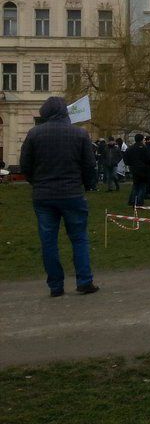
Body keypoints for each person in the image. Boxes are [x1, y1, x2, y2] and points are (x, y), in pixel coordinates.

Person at [19, 96, 99, 296]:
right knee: (79, 238)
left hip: (43, 196)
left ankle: (55, 286)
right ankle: (84, 280)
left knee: (48, 241)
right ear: (65, 112)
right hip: (72, 193)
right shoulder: (79, 134)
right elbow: (89, 165)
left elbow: (25, 165)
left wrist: (36, 182)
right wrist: (88, 185)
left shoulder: (34, 134)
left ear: (44, 113)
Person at [124, 134, 150, 207]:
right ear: (142, 140)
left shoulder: (131, 148)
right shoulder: (144, 148)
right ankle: (139, 201)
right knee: (142, 186)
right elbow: (148, 159)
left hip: (134, 169)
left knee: (135, 185)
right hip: (143, 169)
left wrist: (129, 163)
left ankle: (132, 201)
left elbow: (125, 157)